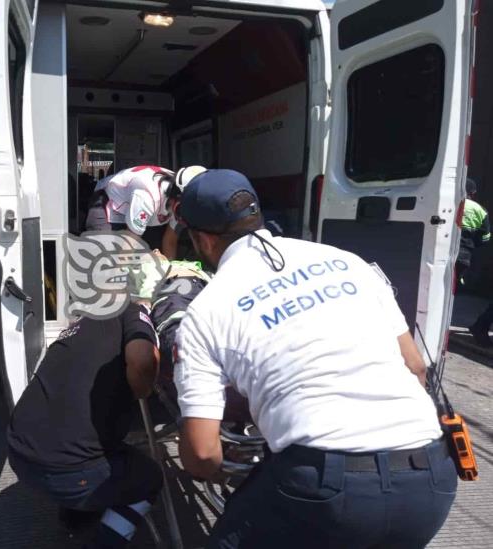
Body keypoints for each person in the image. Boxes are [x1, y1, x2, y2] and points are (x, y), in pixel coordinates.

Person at [173, 169, 457, 548]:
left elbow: (204, 453)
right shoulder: (347, 261)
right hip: (430, 482)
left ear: (201, 239)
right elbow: (416, 367)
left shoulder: (207, 310)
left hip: (326, 492)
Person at [6, 299, 162, 548]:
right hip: (67, 471)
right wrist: (142, 391)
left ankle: (76, 515)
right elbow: (143, 360)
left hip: (19, 451)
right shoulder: (134, 311)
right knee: (148, 478)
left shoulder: (82, 323)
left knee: (83, 433)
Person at [84, 165, 178, 254]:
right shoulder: (146, 196)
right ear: (175, 199)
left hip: (136, 205)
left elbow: (170, 241)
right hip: (109, 200)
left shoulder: (181, 200)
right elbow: (129, 244)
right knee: (105, 253)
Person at [456, 177, 490, 288]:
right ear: (473, 193)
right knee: (457, 282)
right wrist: (473, 244)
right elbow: (485, 237)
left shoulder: (449, 203)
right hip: (464, 255)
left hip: (442, 250)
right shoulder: (481, 210)